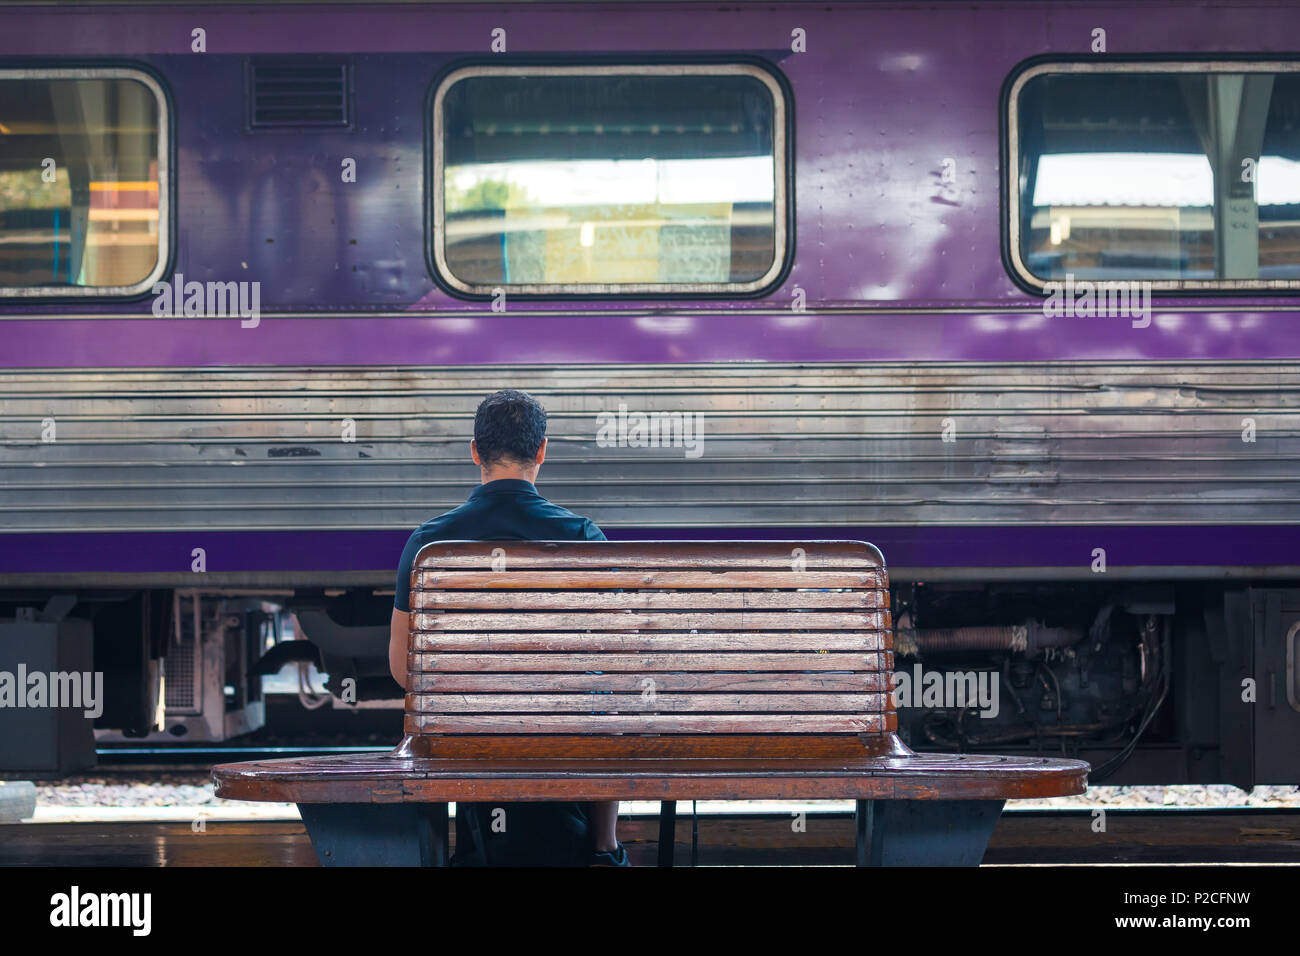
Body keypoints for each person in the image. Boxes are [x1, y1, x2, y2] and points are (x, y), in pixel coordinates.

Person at [388, 388, 627, 866]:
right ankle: (603, 846)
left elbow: (402, 669)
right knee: (605, 703)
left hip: (467, 732)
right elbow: (611, 663)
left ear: (474, 452)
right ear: (542, 451)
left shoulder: (430, 543)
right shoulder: (580, 536)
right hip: (561, 731)